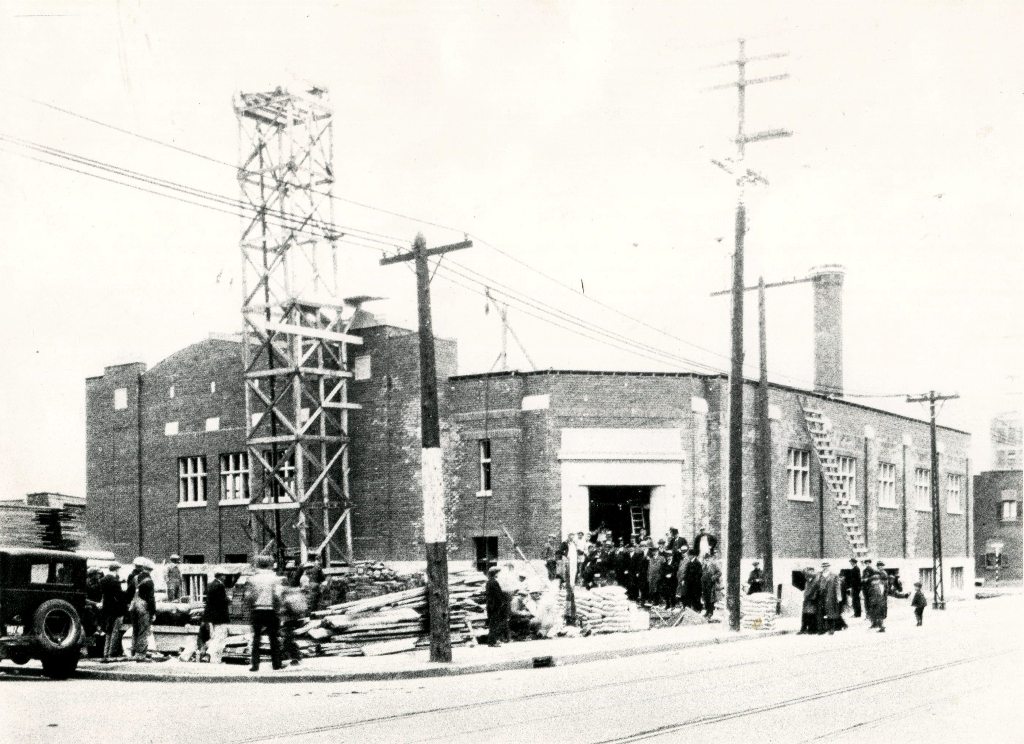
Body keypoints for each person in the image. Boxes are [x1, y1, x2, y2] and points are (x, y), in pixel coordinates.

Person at [245, 555, 283, 671]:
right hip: (271, 610)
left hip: (257, 610)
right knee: (273, 638)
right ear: (271, 564)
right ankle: (276, 664)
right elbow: (277, 595)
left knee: (256, 638)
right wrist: (278, 608)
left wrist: (251, 607)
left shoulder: (252, 579)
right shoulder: (275, 579)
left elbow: (248, 596)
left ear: (258, 564)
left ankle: (255, 665)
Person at [129, 557, 157, 661]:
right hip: (143, 608)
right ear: (150, 570)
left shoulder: (135, 578)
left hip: (133, 606)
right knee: (143, 630)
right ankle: (140, 654)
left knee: (135, 630)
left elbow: (128, 593)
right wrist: (153, 612)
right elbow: (151, 599)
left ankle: (133, 651)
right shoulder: (149, 581)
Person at [201, 571, 230, 663]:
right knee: (219, 636)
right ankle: (209, 654)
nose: (225, 577)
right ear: (221, 576)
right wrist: (228, 599)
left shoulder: (210, 584)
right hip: (219, 616)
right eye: (224, 575)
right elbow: (221, 600)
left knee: (213, 636)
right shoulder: (220, 586)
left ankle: (208, 653)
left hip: (210, 615)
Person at [100, 562, 127, 661]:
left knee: (108, 632)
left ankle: (105, 653)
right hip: (116, 610)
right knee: (115, 632)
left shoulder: (102, 580)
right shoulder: (115, 581)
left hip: (106, 609)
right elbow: (120, 597)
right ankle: (111, 654)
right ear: (116, 570)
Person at [280, 584, 308, 665]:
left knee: (287, 641)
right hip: (295, 620)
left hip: (290, 621)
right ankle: (294, 657)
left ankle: (296, 658)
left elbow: (285, 610)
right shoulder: (295, 596)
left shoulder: (287, 599)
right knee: (288, 640)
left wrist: (281, 611)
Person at [485, 566, 510, 646]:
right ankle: (492, 642)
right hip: (495, 606)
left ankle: (492, 641)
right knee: (494, 624)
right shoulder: (494, 582)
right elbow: (498, 595)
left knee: (493, 624)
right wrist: (502, 602)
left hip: (491, 606)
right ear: (495, 573)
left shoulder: (489, 582)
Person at [817, 562, 842, 635]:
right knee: (821, 613)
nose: (825, 568)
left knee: (831, 612)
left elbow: (837, 586)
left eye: (826, 566)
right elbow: (817, 585)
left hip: (831, 596)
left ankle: (831, 629)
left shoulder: (834, 575)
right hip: (821, 596)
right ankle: (822, 629)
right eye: (823, 566)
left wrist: (839, 596)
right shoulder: (820, 575)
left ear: (829, 567)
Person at [799, 567, 819, 634]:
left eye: (806, 574)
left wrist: (813, 597)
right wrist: (804, 596)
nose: (805, 576)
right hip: (807, 600)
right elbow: (807, 590)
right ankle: (803, 629)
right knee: (805, 615)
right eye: (805, 575)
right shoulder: (807, 582)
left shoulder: (816, 581)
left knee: (811, 615)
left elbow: (816, 590)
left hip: (812, 600)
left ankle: (812, 629)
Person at [701, 554, 722, 619]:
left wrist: (713, 578)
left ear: (710, 558)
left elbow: (719, 573)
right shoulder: (703, 565)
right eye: (705, 558)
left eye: (708, 558)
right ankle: (707, 611)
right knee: (706, 598)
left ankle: (710, 612)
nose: (706, 560)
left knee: (711, 598)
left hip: (711, 584)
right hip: (704, 584)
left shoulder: (714, 564)